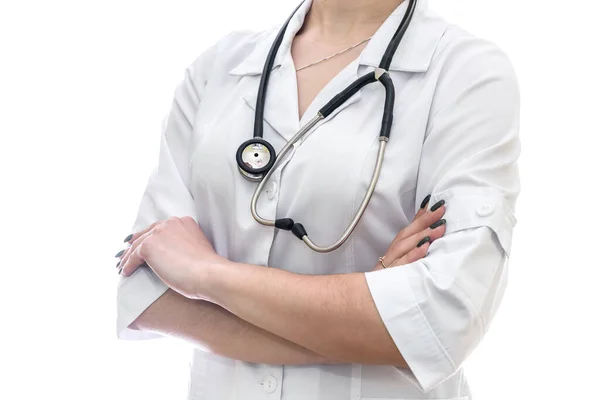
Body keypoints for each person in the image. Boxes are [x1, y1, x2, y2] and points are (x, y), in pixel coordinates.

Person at [114, 0, 520, 398]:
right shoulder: (218, 69)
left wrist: (205, 274)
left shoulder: (466, 73)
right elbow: (147, 299)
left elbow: (442, 318)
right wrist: (370, 321)